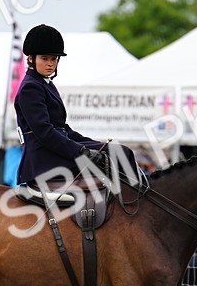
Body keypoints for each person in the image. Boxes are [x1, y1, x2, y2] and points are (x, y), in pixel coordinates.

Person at [13, 24, 136, 190]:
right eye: (45, 58)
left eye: (54, 59)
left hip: (56, 151)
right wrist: (81, 152)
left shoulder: (45, 84)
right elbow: (45, 133)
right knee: (117, 157)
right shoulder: (31, 88)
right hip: (44, 159)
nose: (50, 64)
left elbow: (64, 130)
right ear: (31, 58)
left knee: (121, 152)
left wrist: (95, 145)